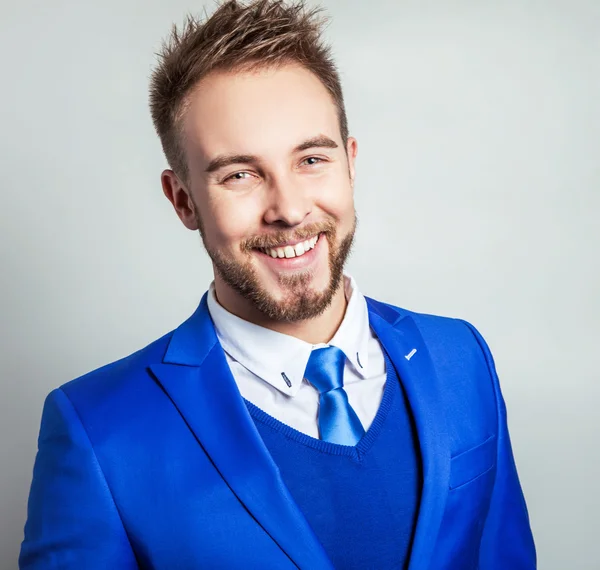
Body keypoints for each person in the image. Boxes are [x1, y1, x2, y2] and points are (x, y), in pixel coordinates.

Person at [19, 1, 536, 568]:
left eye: (311, 159)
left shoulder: (462, 358)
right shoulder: (99, 432)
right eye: (240, 174)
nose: (289, 209)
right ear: (183, 199)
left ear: (351, 163)